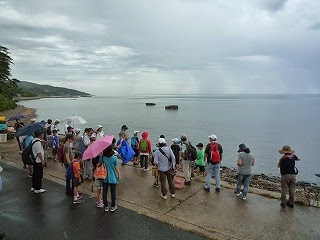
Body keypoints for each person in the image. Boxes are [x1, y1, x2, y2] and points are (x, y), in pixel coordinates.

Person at [101, 145, 121, 212]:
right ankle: (113, 206)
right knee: (113, 192)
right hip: (112, 177)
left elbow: (99, 164)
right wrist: (119, 175)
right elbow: (116, 168)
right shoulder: (114, 158)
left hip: (104, 177)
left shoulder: (103, 157)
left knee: (104, 192)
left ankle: (106, 206)